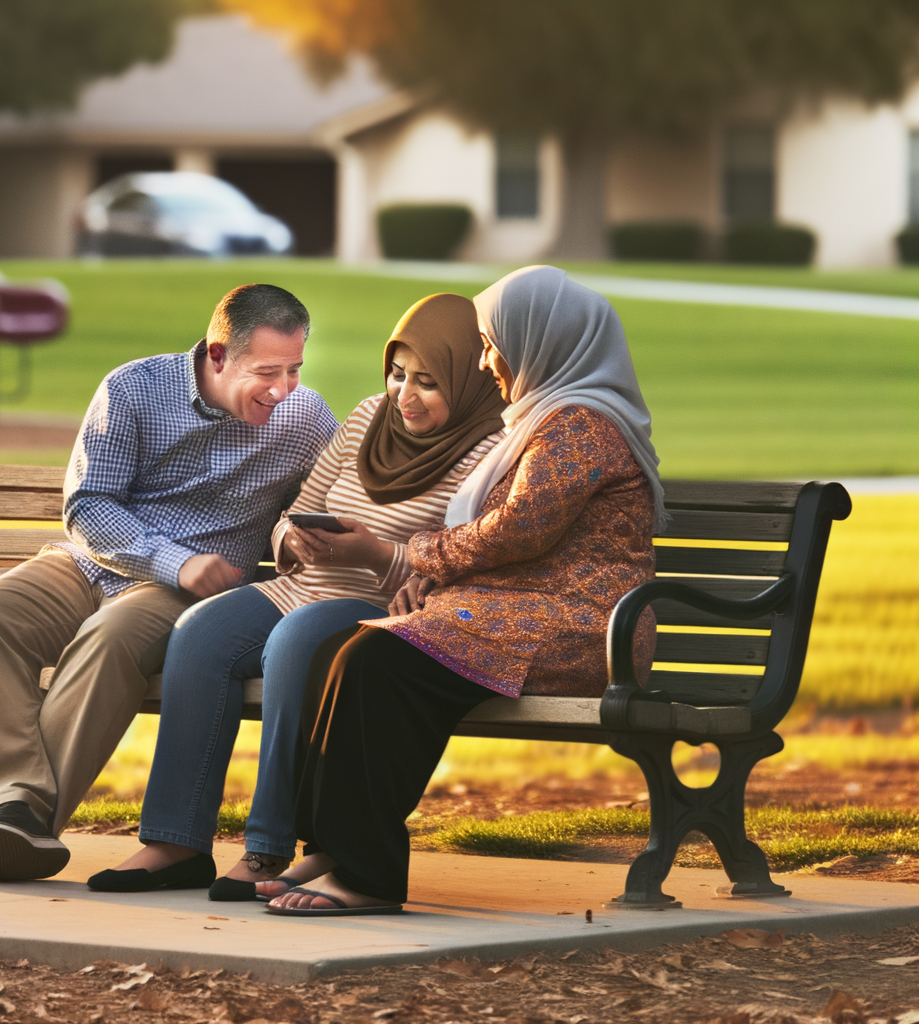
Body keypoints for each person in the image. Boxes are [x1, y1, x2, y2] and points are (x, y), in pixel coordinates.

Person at [266, 265, 662, 917]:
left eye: (492, 342)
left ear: (540, 339)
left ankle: (365, 874)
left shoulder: (580, 424)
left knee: (380, 665)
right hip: (528, 613)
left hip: (582, 631)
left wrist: (419, 556)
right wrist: (432, 578)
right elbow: (507, 538)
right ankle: (335, 849)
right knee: (355, 652)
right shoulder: (546, 417)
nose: (485, 360)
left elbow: (515, 532)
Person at [87, 293, 507, 897]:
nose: (404, 396)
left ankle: (268, 849)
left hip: (376, 607)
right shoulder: (366, 418)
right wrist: (291, 539)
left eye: (428, 383)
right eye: (398, 374)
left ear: (468, 381)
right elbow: (297, 508)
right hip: (302, 585)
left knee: (291, 644)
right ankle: (175, 841)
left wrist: (375, 556)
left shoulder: (486, 453)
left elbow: (452, 562)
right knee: (199, 633)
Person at [0, 284, 338, 883]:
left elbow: (325, 504)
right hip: (94, 564)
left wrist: (287, 536)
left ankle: (22, 825)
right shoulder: (134, 389)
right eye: (267, 372)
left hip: (186, 595)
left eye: (295, 369)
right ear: (218, 355)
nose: (283, 390)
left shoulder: (305, 420)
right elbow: (89, 506)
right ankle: (8, 809)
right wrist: (171, 559)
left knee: (108, 639)